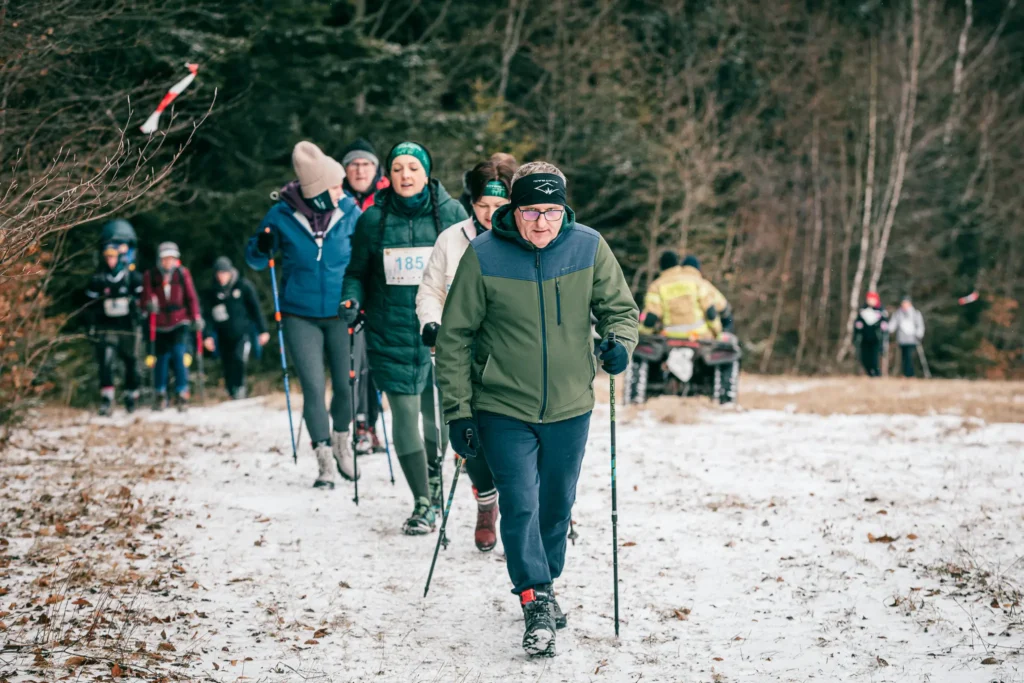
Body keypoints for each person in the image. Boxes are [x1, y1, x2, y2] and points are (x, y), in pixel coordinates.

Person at [435, 161, 639, 657]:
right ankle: (535, 597)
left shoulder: (589, 247)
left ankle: (547, 580)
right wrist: (458, 412)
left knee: (556, 505)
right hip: (502, 404)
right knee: (520, 502)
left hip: (570, 405)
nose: (541, 222)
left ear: (564, 210)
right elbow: (456, 336)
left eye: (551, 211)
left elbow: (620, 310)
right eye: (530, 211)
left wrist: (619, 344)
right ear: (514, 210)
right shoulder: (484, 254)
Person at [341, 141, 469, 535]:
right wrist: (351, 299)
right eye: (397, 169)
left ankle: (434, 477)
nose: (405, 176)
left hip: (441, 331)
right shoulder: (373, 219)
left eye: (413, 168)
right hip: (390, 331)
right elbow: (356, 272)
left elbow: (471, 270)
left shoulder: (451, 214)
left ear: (427, 173)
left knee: (438, 415)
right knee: (403, 413)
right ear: (389, 175)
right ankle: (422, 501)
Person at [416, 157, 516, 552]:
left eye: (499, 205)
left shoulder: (525, 238)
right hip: (461, 353)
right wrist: (431, 322)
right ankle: (486, 501)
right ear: (470, 202)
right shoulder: (452, 239)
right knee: (468, 432)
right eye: (482, 205)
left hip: (510, 355)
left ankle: (523, 507)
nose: (490, 214)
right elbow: (431, 290)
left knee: (512, 434)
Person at [247, 141, 361, 489]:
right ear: (318, 192)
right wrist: (261, 247)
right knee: (313, 388)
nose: (342, 191)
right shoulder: (281, 214)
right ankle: (324, 459)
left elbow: (366, 255)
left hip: (341, 312)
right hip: (300, 314)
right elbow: (255, 259)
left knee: (346, 386)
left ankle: (341, 442)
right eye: (335, 186)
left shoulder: (350, 210)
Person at [340, 137, 389, 454]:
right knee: (353, 361)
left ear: (376, 168)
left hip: (382, 288)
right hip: (349, 288)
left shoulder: (388, 196)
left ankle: (370, 424)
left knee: (374, 363)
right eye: (354, 165)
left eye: (366, 164)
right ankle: (357, 424)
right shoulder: (335, 196)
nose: (360, 170)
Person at [85, 239, 144, 415]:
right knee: (106, 361)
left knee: (131, 361)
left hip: (128, 325)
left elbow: (142, 298)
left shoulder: (131, 276)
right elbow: (90, 304)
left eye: (113, 257)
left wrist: (139, 309)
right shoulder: (98, 278)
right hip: (106, 325)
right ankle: (107, 398)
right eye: (107, 257)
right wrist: (91, 324)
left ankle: (131, 395)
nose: (110, 260)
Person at [141, 242, 203, 411]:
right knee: (161, 359)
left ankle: (182, 392)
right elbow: (144, 300)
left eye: (171, 258)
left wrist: (196, 317)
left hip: (179, 321)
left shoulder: (182, 274)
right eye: (165, 258)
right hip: (159, 324)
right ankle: (160, 393)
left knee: (179, 354)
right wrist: (148, 306)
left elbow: (191, 297)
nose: (168, 262)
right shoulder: (150, 276)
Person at [202, 257, 270, 399]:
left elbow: (256, 309)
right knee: (227, 362)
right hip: (223, 334)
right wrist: (207, 335)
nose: (221, 277)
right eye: (219, 273)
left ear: (230, 272)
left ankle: (240, 387)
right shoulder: (212, 292)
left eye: (224, 273)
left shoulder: (243, 286)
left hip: (243, 332)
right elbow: (207, 316)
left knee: (239, 358)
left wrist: (263, 330)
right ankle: (231, 391)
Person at [638, 251, 732, 339]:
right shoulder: (698, 282)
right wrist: (718, 333)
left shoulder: (656, 286)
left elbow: (652, 316)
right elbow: (711, 311)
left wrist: (642, 334)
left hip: (670, 336)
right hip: (699, 336)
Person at [854, 291, 889, 377]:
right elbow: (857, 323)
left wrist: (883, 331)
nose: (870, 301)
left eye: (872, 299)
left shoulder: (881, 311)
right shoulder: (863, 310)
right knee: (865, 357)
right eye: (869, 299)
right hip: (865, 337)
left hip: (876, 338)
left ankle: (876, 373)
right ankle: (869, 372)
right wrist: (858, 328)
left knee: (874, 357)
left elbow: (885, 324)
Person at [889, 295, 925, 378]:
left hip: (912, 339)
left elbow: (920, 325)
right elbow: (893, 324)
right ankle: (905, 373)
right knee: (904, 357)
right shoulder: (898, 313)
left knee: (910, 357)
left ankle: (910, 374)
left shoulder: (915, 313)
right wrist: (887, 329)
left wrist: (919, 334)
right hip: (902, 339)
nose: (904, 305)